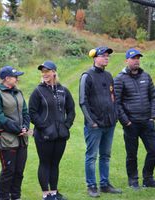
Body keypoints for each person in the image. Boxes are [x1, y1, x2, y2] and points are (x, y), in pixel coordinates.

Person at [29, 61, 75, 200]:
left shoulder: (63, 90)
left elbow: (71, 110)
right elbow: (32, 112)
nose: (44, 74)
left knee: (55, 163)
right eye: (43, 72)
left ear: (54, 72)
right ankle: (45, 194)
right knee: (45, 163)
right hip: (44, 135)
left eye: (47, 71)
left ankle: (54, 192)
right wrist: (44, 127)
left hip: (60, 135)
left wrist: (66, 126)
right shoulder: (38, 91)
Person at [79, 47, 122, 198]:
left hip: (109, 124)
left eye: (108, 56)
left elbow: (113, 97)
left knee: (106, 156)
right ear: (95, 58)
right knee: (91, 156)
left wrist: (115, 115)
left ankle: (105, 185)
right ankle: (91, 186)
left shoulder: (109, 75)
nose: (106, 58)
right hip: (94, 126)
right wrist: (92, 122)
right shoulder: (87, 76)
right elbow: (83, 102)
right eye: (103, 56)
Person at [114, 48, 155, 189]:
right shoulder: (120, 79)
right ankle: (133, 180)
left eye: (138, 58)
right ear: (127, 61)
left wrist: (152, 116)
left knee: (153, 150)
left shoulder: (146, 76)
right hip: (131, 124)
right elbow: (117, 103)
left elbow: (153, 97)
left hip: (147, 122)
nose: (136, 60)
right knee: (132, 154)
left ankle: (148, 178)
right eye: (133, 58)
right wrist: (126, 121)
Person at [0, 66, 30, 200]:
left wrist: (25, 127)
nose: (17, 79)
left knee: (19, 171)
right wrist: (17, 129)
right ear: (7, 79)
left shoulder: (18, 92)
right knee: (8, 171)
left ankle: (16, 196)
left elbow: (25, 112)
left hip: (22, 138)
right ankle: (3, 197)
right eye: (15, 76)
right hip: (6, 139)